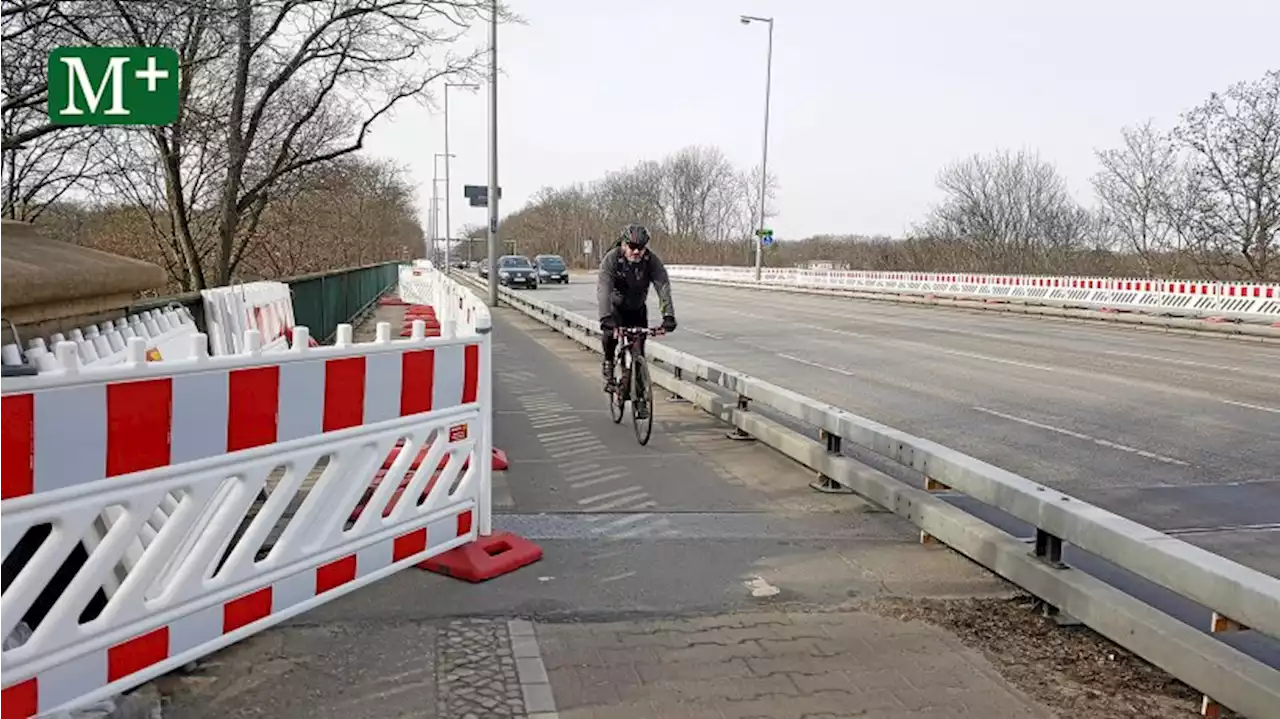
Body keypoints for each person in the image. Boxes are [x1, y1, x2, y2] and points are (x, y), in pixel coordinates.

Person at [597, 223, 677, 393]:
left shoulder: (651, 261)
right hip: (616, 308)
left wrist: (668, 315)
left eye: (640, 248)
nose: (636, 252)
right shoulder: (612, 259)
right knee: (610, 336)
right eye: (632, 247)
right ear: (624, 244)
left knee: (638, 350)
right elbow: (603, 288)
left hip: (637, 309)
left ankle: (638, 392)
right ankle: (609, 363)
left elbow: (662, 286)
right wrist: (605, 317)